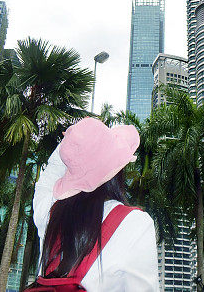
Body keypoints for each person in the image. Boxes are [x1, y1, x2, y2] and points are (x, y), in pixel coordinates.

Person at [30, 117, 158, 291]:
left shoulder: (48, 212)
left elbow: (49, 175)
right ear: (117, 172)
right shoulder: (135, 223)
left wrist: (77, 140)